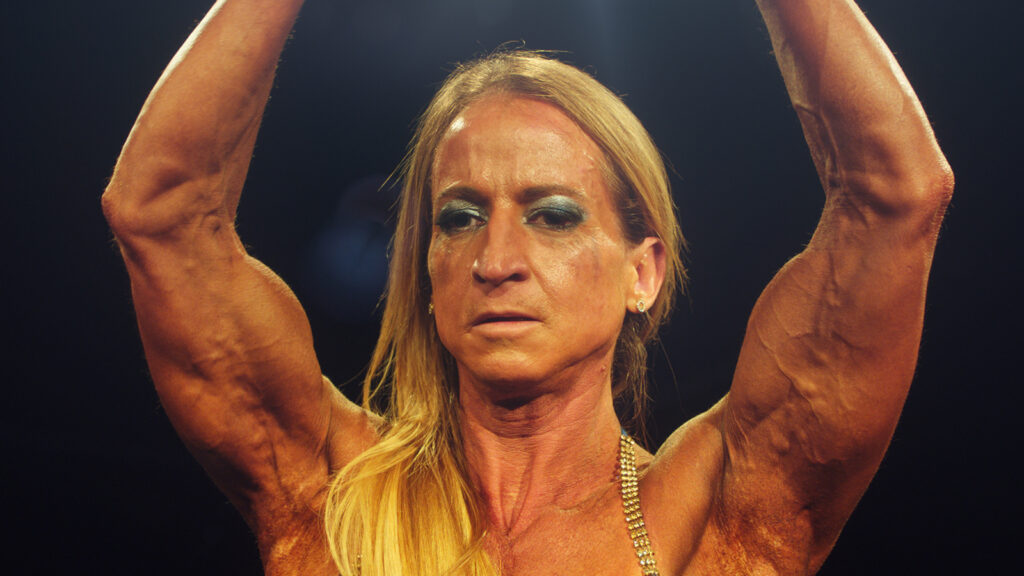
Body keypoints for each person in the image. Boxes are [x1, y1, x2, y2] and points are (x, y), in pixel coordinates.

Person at [102, 0, 953, 574]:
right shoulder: (330, 494)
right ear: (426, 271)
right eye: (460, 218)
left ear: (642, 271)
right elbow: (158, 213)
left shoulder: (713, 519)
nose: (496, 258)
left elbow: (897, 195)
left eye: (552, 216)